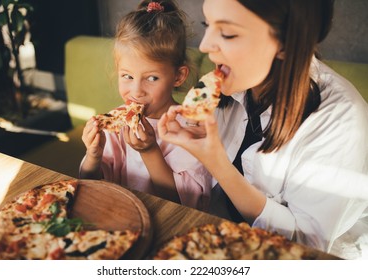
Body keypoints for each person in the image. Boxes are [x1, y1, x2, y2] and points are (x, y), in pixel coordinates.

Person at [157, 0, 368, 259]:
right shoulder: (231, 86)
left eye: (227, 33)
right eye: (207, 24)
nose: (204, 46)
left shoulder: (340, 118)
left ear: (285, 42)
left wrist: (218, 164)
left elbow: (305, 248)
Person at [79, 0, 212, 211]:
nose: (136, 91)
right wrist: (93, 156)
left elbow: (184, 204)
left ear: (178, 76)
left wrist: (150, 151)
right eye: (127, 76)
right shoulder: (116, 123)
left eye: (151, 78)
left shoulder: (192, 129)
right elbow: (89, 183)